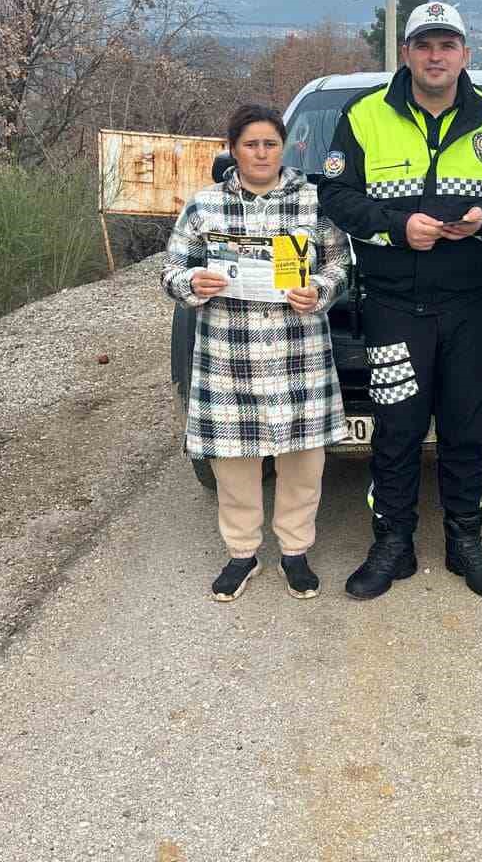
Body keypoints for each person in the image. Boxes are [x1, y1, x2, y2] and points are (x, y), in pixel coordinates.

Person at [319, 0, 482, 600]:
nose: (436, 56)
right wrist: (394, 227)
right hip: (392, 307)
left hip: (473, 307)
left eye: (448, 45)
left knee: (467, 428)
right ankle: (393, 543)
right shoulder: (362, 117)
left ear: (465, 54)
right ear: (406, 52)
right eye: (424, 45)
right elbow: (335, 194)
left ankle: (467, 540)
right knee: (397, 428)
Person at [162, 104, 351, 602]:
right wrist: (192, 282)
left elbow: (339, 262)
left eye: (270, 143)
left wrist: (322, 290)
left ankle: (295, 551)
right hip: (229, 354)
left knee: (302, 460)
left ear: (283, 146)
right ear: (233, 148)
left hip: (298, 351)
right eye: (251, 144)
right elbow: (171, 270)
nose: (261, 153)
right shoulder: (204, 206)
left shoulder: (315, 201)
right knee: (233, 461)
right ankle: (241, 554)